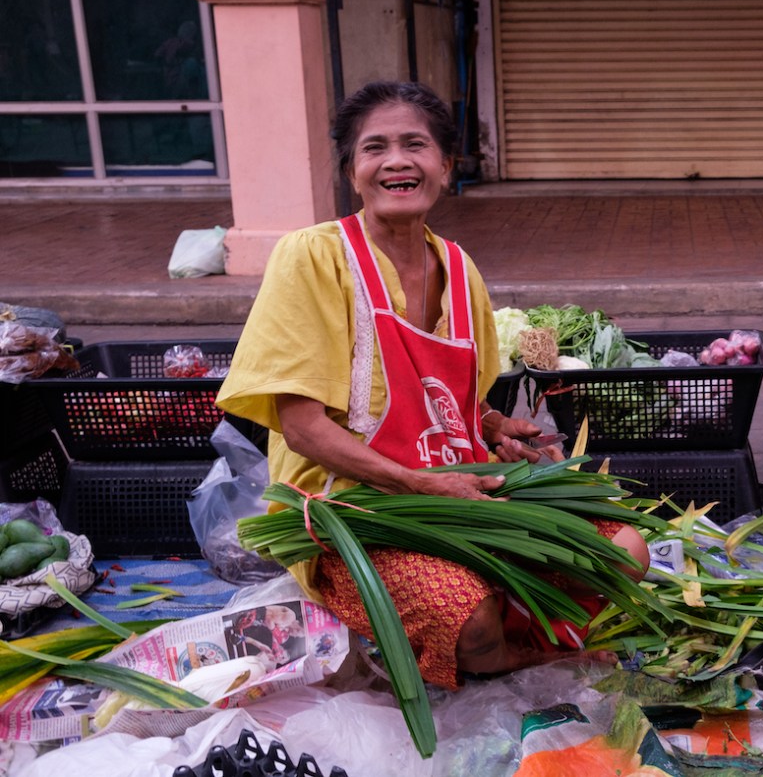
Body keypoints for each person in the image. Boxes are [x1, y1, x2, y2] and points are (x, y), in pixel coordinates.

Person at [217, 81, 649, 691]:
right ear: (353, 171)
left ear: (445, 167)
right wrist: (421, 484)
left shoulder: (459, 265)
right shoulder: (313, 257)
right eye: (375, 148)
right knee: (467, 619)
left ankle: (510, 630)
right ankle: (503, 654)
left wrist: (496, 428)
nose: (397, 161)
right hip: (354, 507)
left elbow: (447, 396)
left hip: (456, 491)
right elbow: (303, 427)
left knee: (626, 551)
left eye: (415, 145)